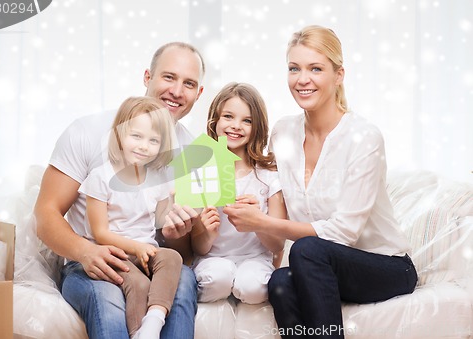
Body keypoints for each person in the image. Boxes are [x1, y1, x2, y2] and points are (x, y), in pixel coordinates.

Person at [223, 25, 418, 338]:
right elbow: (272, 195)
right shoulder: (283, 133)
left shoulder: (363, 137)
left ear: (338, 75)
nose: (303, 79)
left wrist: (265, 223)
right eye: (294, 68)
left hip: (385, 267)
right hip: (319, 267)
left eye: (316, 69)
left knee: (307, 250)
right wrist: (251, 211)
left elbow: (342, 233)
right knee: (281, 283)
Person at [34, 42, 205, 339]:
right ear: (147, 76)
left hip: (148, 258)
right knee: (107, 296)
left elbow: (184, 251)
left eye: (188, 83)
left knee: (184, 279)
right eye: (168, 77)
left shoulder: (192, 154)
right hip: (88, 261)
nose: (177, 91)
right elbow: (44, 214)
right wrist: (86, 252)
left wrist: (178, 235)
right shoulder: (88, 131)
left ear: (199, 93)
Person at [79, 97, 182, 339]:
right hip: (112, 253)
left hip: (145, 252)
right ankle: (139, 334)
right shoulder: (101, 176)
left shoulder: (156, 178)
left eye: (153, 140)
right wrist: (136, 247)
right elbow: (99, 233)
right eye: (136, 136)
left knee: (172, 258)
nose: (144, 146)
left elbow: (161, 222)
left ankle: (154, 321)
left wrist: (174, 202)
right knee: (139, 284)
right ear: (119, 134)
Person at [190, 82, 286, 305]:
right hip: (213, 258)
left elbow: (277, 245)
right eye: (228, 117)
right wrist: (207, 232)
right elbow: (198, 247)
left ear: (258, 127)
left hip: (254, 259)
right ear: (215, 121)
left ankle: (240, 286)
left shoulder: (269, 176)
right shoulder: (200, 171)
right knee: (218, 278)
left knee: (252, 287)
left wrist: (258, 222)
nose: (236, 126)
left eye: (247, 120)